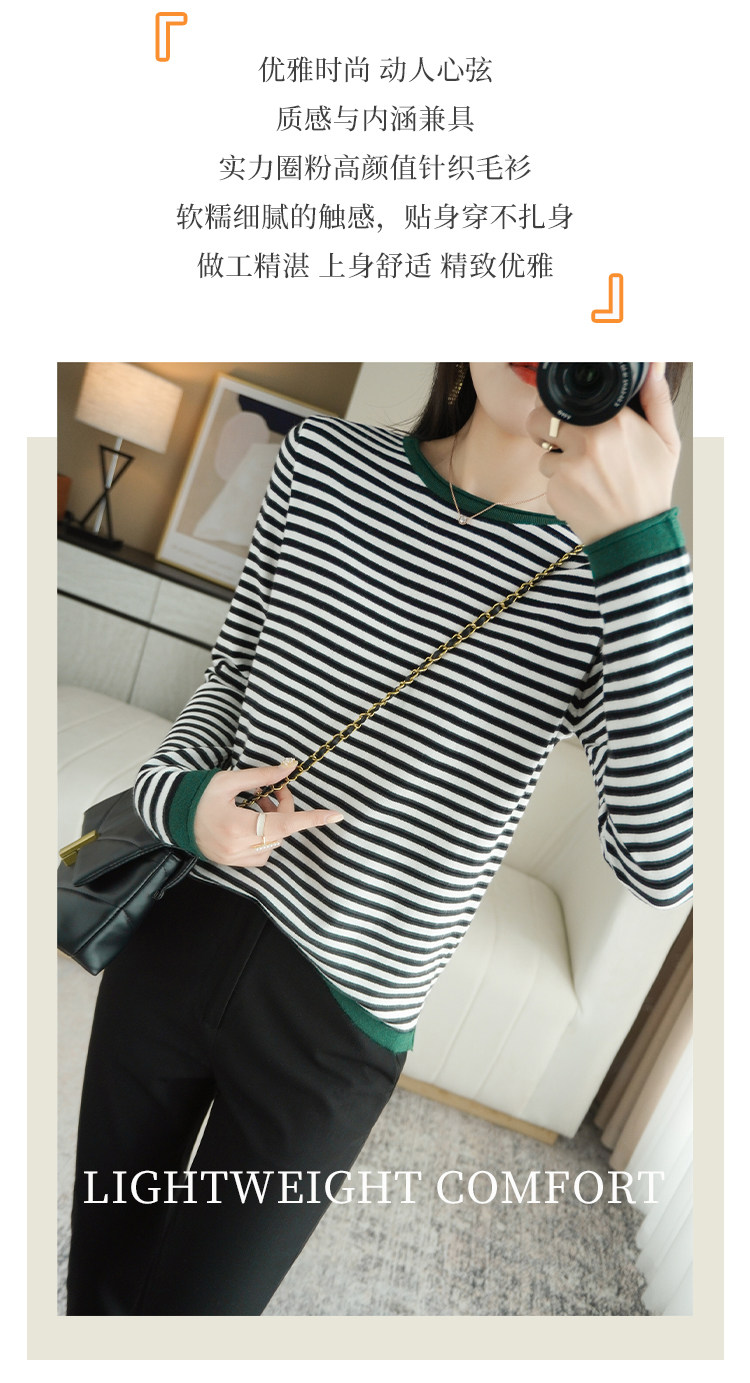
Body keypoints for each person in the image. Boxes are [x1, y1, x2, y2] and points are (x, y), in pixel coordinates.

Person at [65, 362, 693, 1315]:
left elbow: (663, 863)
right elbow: (230, 677)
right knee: (99, 1283)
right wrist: (183, 802)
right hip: (178, 933)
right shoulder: (319, 461)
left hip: (339, 1025)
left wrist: (641, 546)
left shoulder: (615, 580)